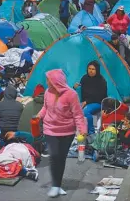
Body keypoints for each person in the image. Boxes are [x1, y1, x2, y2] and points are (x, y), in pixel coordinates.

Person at [37, 69, 87, 198]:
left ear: (56, 81)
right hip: (50, 129)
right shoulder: (47, 92)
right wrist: (39, 116)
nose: (47, 82)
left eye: (48, 79)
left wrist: (82, 130)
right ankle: (55, 185)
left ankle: (58, 185)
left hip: (67, 131)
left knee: (61, 158)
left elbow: (78, 114)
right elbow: (45, 108)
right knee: (54, 156)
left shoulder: (71, 95)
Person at [74, 61, 107, 135]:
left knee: (85, 112)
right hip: (86, 102)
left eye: (93, 69)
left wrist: (86, 102)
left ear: (97, 70)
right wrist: (74, 87)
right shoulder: (84, 78)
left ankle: (91, 133)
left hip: (98, 102)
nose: (91, 71)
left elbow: (100, 96)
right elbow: (81, 91)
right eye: (89, 68)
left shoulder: (101, 81)